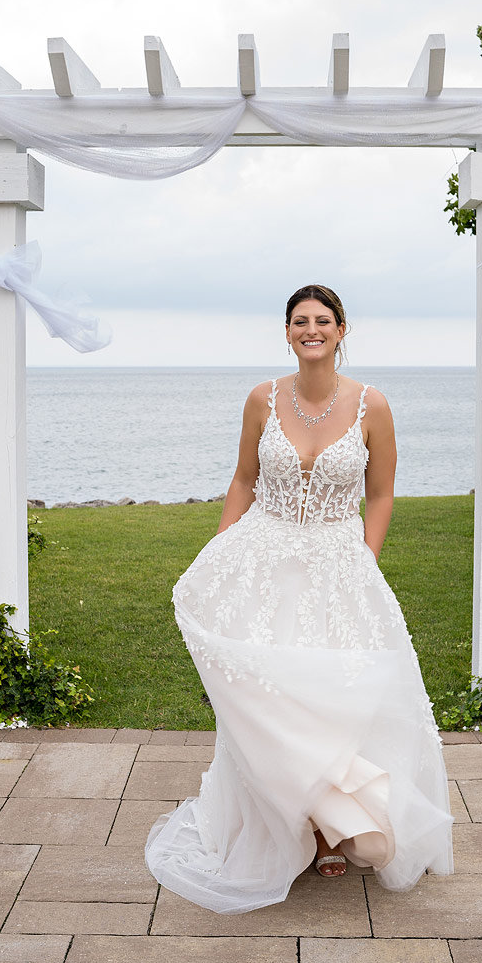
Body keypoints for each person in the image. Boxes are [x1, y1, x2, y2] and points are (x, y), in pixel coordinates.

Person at [145, 284, 453, 914]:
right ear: (287, 332)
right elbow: (243, 478)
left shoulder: (374, 405)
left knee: (336, 695)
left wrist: (365, 559)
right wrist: (222, 551)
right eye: (299, 321)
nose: (311, 329)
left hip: (338, 567)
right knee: (270, 695)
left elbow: (383, 493)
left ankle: (329, 825)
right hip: (267, 559)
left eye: (322, 320)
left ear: (342, 330)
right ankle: (289, 826)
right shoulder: (263, 399)